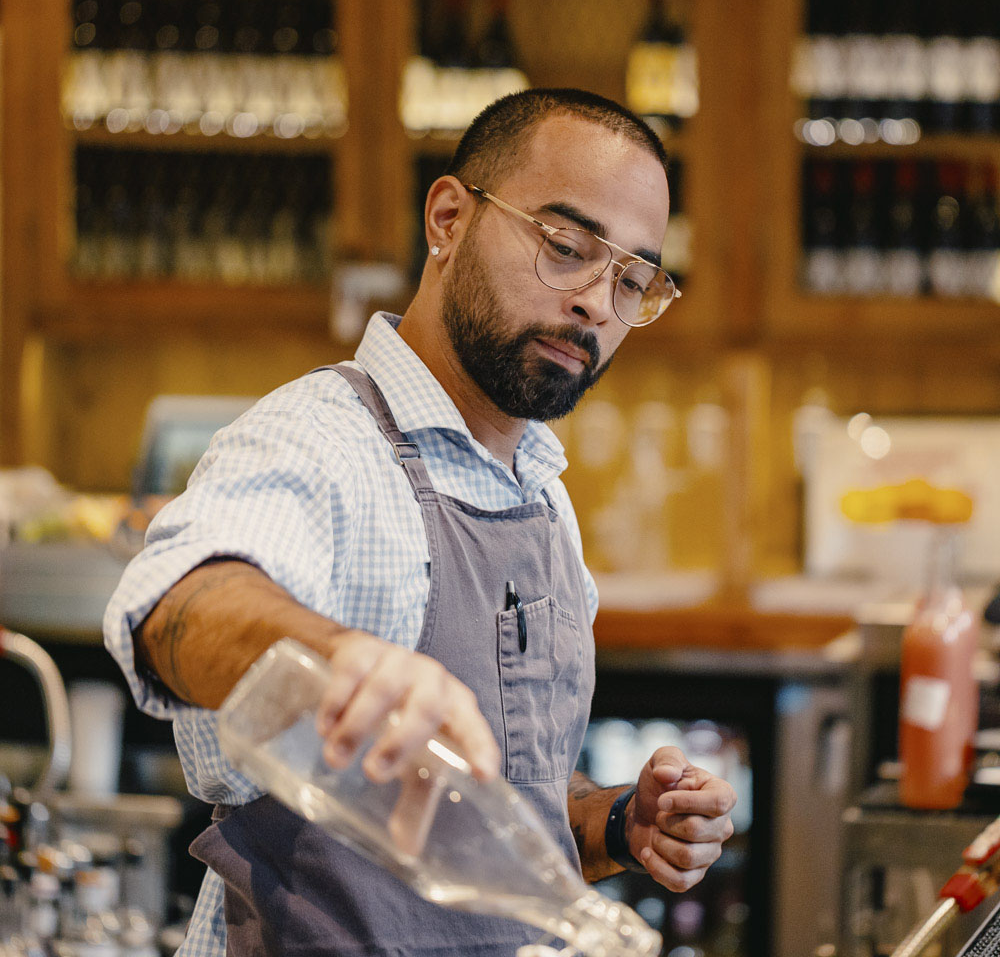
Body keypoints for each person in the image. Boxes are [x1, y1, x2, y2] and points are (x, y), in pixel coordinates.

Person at [104, 88, 737, 957]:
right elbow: (177, 606)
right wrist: (344, 662)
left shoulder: (541, 489)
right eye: (565, 246)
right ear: (448, 219)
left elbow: (478, 816)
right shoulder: (320, 439)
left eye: (632, 279)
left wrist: (616, 823)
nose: (597, 304)